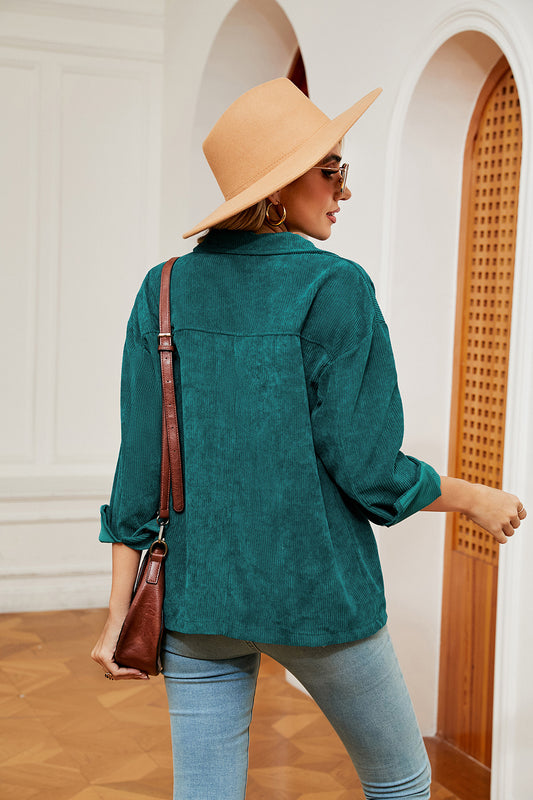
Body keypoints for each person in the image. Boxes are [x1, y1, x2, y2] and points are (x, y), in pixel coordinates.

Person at [91, 78, 526, 800]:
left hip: (196, 599)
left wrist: (118, 615)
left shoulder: (161, 287)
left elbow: (138, 470)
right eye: (331, 171)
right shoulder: (334, 287)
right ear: (279, 186)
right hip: (317, 596)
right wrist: (473, 497)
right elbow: (370, 471)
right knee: (401, 784)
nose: (343, 190)